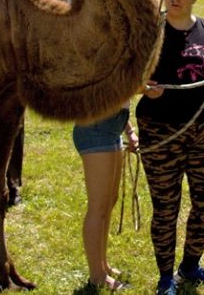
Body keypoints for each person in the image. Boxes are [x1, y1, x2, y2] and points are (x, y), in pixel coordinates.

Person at [136, 0, 204, 295]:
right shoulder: (152, 31)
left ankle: (190, 265)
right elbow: (130, 74)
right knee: (166, 205)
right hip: (160, 131)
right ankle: (166, 276)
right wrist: (143, 87)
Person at [73, 103, 137, 291]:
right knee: (98, 206)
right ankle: (97, 276)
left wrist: (129, 130)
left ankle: (103, 265)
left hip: (112, 127)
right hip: (96, 128)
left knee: (110, 201)